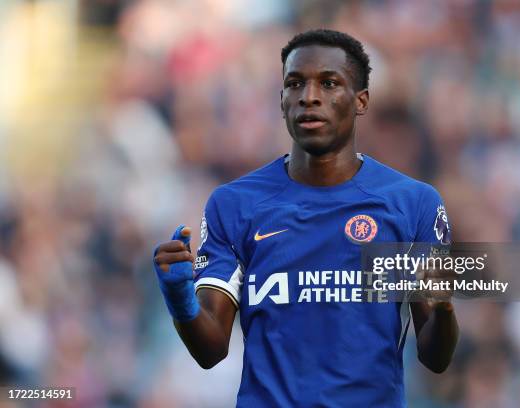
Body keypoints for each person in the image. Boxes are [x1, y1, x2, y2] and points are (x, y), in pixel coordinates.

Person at [153, 29, 458, 407]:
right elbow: (210, 349)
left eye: (329, 83)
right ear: (282, 100)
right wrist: (179, 296)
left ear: (361, 101)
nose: (309, 97)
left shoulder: (412, 204)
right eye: (295, 84)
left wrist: (443, 307)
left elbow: (435, 357)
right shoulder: (235, 205)